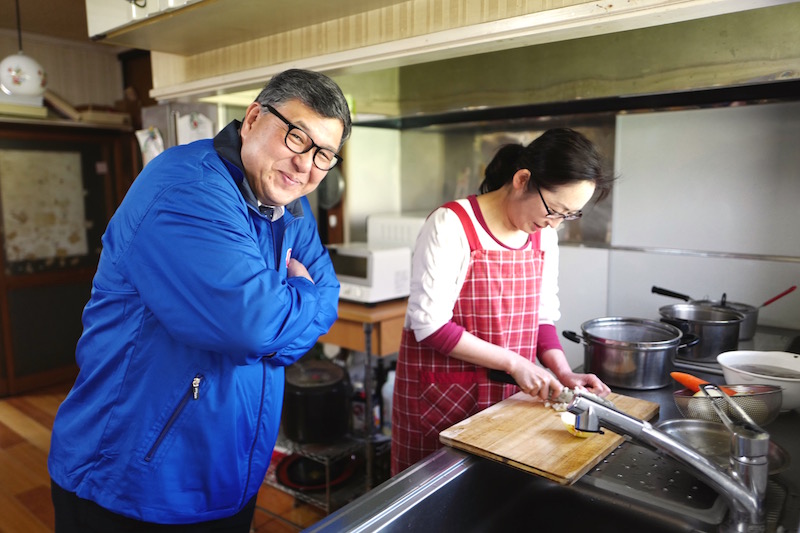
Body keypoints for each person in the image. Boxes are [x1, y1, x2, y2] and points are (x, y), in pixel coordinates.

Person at [47, 69, 351, 531]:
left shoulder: (292, 205)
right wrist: (298, 297)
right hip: (136, 479)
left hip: (229, 471)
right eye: (296, 137)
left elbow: (324, 301)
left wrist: (281, 319)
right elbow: (252, 327)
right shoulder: (186, 190)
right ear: (252, 119)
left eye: (324, 154)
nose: (305, 166)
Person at [391, 128, 613, 475]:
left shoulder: (543, 237)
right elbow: (431, 327)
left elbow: (542, 317)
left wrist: (563, 371)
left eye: (569, 216)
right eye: (555, 210)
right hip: (442, 403)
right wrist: (515, 363)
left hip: (507, 401)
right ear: (523, 179)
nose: (554, 225)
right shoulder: (452, 225)